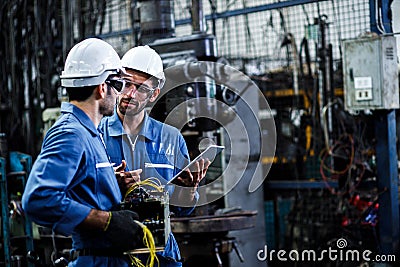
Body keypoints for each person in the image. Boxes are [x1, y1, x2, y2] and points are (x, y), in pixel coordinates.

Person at [22, 38, 145, 267]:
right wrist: (106, 220)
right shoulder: (71, 134)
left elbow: (80, 188)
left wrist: (109, 185)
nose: (120, 94)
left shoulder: (90, 132)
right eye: (117, 85)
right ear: (101, 88)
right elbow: (38, 199)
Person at [98, 45, 210, 267]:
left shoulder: (171, 138)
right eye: (127, 83)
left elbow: (182, 208)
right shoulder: (96, 134)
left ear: (153, 95)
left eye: (140, 88)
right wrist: (113, 185)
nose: (130, 93)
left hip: (162, 255)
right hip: (113, 254)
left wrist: (190, 190)